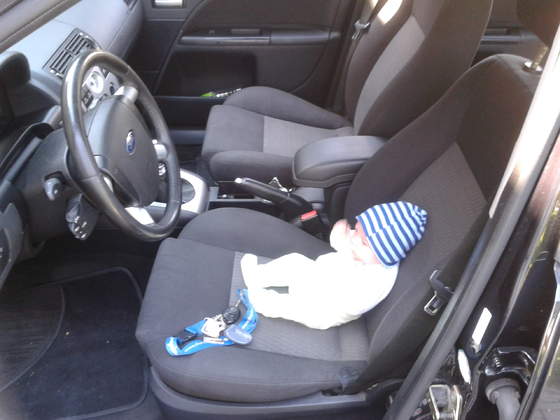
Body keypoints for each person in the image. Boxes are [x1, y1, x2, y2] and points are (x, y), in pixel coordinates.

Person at [241, 201, 428, 330]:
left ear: (385, 254)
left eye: (363, 241)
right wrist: (340, 231)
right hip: (319, 274)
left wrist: (319, 290)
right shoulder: (367, 253)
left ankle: (264, 303)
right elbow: (343, 246)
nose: (353, 238)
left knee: (297, 308)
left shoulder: (376, 282)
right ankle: (258, 276)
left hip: (328, 306)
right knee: (294, 261)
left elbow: (349, 306)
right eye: (356, 229)